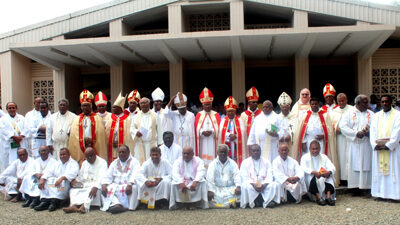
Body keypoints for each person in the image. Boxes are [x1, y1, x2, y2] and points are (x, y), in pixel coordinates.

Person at [296, 97, 339, 185]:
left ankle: (322, 180)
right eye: (312, 104)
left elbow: (330, 130)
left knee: (321, 160)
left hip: (321, 142)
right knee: (308, 160)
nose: (314, 106)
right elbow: (302, 130)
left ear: (319, 104)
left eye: (316, 104)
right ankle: (309, 181)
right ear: (310, 105)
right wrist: (303, 142)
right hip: (309, 141)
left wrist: (324, 135)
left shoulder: (325, 115)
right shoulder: (306, 115)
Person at [339, 95, 373, 193]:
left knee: (367, 165)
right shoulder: (349, 113)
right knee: (355, 164)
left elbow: (376, 128)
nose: (367, 104)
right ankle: (355, 188)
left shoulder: (371, 114)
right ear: (358, 103)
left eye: (367, 102)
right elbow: (343, 127)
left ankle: (366, 187)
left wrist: (369, 133)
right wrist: (355, 133)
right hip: (354, 144)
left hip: (366, 144)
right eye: (365, 102)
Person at [369, 95, 400, 201]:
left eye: (387, 102)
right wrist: (375, 144)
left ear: (391, 102)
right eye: (382, 102)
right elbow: (372, 132)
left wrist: (388, 145)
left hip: (392, 149)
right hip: (379, 149)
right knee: (379, 170)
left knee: (392, 170)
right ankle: (380, 194)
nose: (384, 104)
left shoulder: (397, 115)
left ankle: (392, 195)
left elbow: (397, 132)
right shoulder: (376, 116)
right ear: (380, 103)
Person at [63, 147, 108, 213]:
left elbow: (103, 177)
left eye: (90, 156)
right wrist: (75, 181)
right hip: (85, 184)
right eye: (87, 157)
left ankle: (84, 206)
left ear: (94, 154)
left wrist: (96, 186)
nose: (89, 159)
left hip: (96, 185)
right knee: (73, 190)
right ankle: (74, 206)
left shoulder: (102, 162)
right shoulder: (85, 163)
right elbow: (81, 176)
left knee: (92, 191)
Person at [68, 89, 107, 164]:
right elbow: (73, 135)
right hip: (81, 148)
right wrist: (82, 140)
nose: (85, 108)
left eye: (87, 105)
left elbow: (101, 135)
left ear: (91, 106)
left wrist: (92, 140)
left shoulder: (97, 118)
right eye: (83, 106)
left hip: (94, 146)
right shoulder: (77, 118)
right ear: (81, 107)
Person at [101, 145, 141, 213]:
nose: (121, 154)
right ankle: (116, 205)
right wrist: (104, 185)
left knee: (134, 188)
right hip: (116, 184)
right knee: (104, 189)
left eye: (123, 152)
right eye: (120, 152)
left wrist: (130, 184)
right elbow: (108, 175)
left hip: (128, 184)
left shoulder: (134, 162)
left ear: (128, 152)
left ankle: (128, 207)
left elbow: (135, 174)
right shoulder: (114, 162)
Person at [240, 144, 281, 208]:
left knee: (275, 185)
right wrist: (253, 184)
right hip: (252, 184)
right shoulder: (245, 162)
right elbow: (244, 176)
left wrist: (264, 185)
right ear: (250, 152)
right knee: (245, 186)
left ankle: (268, 201)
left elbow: (270, 175)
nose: (256, 152)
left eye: (257, 151)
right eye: (254, 151)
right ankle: (251, 202)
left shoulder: (266, 161)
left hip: (263, 183)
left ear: (260, 151)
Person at [300, 140, 336, 206]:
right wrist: (313, 172)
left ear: (320, 148)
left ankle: (328, 197)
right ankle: (318, 197)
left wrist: (328, 172)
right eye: (313, 149)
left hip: (322, 175)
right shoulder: (305, 157)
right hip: (311, 175)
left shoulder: (324, 157)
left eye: (317, 148)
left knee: (330, 176)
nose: (315, 151)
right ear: (309, 149)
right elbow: (303, 167)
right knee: (312, 179)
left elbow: (332, 166)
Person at [206, 144, 241, 208]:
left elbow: (237, 175)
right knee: (213, 196)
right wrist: (210, 190)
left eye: (225, 152)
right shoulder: (212, 164)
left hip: (230, 188)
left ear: (228, 153)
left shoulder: (233, 163)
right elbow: (209, 178)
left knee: (239, 192)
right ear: (217, 153)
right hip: (217, 188)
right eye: (221, 152)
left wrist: (238, 186)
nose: (223, 154)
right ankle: (230, 204)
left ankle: (222, 205)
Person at [131, 97, 162, 164]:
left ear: (149, 104)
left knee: (152, 162)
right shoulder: (135, 116)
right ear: (139, 105)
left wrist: (160, 144)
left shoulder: (155, 115)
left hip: (152, 143)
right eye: (141, 103)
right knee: (140, 163)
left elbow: (159, 129)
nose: (143, 104)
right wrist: (136, 132)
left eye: (145, 103)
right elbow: (132, 128)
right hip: (140, 144)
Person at [194, 87, 221, 167]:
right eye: (206, 105)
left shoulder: (216, 114)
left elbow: (219, 128)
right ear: (203, 105)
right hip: (202, 140)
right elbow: (196, 128)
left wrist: (212, 131)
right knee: (203, 156)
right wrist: (202, 132)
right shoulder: (199, 114)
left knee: (212, 155)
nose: (207, 106)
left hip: (212, 140)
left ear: (211, 104)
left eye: (209, 104)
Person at [218, 96, 247, 167]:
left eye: (232, 111)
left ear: (235, 110)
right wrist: (228, 136)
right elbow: (221, 133)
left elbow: (243, 133)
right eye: (229, 111)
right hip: (228, 143)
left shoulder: (240, 120)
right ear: (226, 111)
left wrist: (236, 136)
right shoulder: (223, 121)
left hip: (236, 144)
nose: (230, 113)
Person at [105, 93, 134, 163]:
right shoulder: (110, 118)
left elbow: (129, 135)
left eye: (115, 107)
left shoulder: (128, 119)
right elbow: (106, 132)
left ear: (120, 108)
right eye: (113, 107)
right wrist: (111, 141)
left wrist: (119, 142)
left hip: (123, 144)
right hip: (112, 146)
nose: (113, 109)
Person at [331, 93, 353, 182]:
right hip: (339, 139)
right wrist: (335, 128)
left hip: (350, 138)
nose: (341, 103)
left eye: (343, 101)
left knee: (349, 157)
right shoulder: (334, 111)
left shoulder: (352, 110)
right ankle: (341, 178)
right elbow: (330, 124)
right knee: (341, 157)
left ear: (346, 100)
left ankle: (350, 178)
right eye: (339, 101)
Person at [0, 102, 28, 172]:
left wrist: (21, 136)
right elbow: (2, 130)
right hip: (9, 144)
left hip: (20, 143)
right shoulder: (3, 119)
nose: (12, 109)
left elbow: (27, 128)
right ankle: (7, 180)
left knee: (22, 160)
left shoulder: (22, 118)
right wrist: (13, 137)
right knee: (7, 162)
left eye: (13, 108)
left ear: (16, 108)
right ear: (6, 109)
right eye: (10, 108)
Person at [275, 92, 298, 158]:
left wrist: (290, 135)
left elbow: (297, 129)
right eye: (283, 107)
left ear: (289, 107)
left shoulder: (294, 117)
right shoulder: (277, 117)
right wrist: (279, 136)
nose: (284, 109)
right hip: (280, 142)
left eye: (286, 107)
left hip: (291, 143)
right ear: (280, 107)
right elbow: (274, 129)